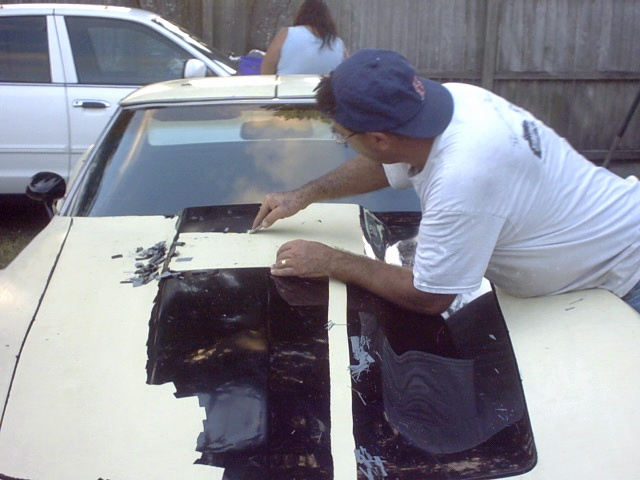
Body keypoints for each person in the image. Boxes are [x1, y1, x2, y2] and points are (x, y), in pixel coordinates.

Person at [252, 48, 640, 316]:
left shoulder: (463, 178)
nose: (343, 141)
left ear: (379, 138)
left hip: (623, 280)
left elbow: (430, 296)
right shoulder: (451, 102)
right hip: (592, 265)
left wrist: (332, 261)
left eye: (342, 135)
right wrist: (303, 195)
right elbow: (383, 165)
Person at [261, 0, 347, 75]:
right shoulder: (338, 43)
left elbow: (266, 71)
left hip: (286, 87)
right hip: (323, 89)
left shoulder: (286, 34)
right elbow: (348, 72)